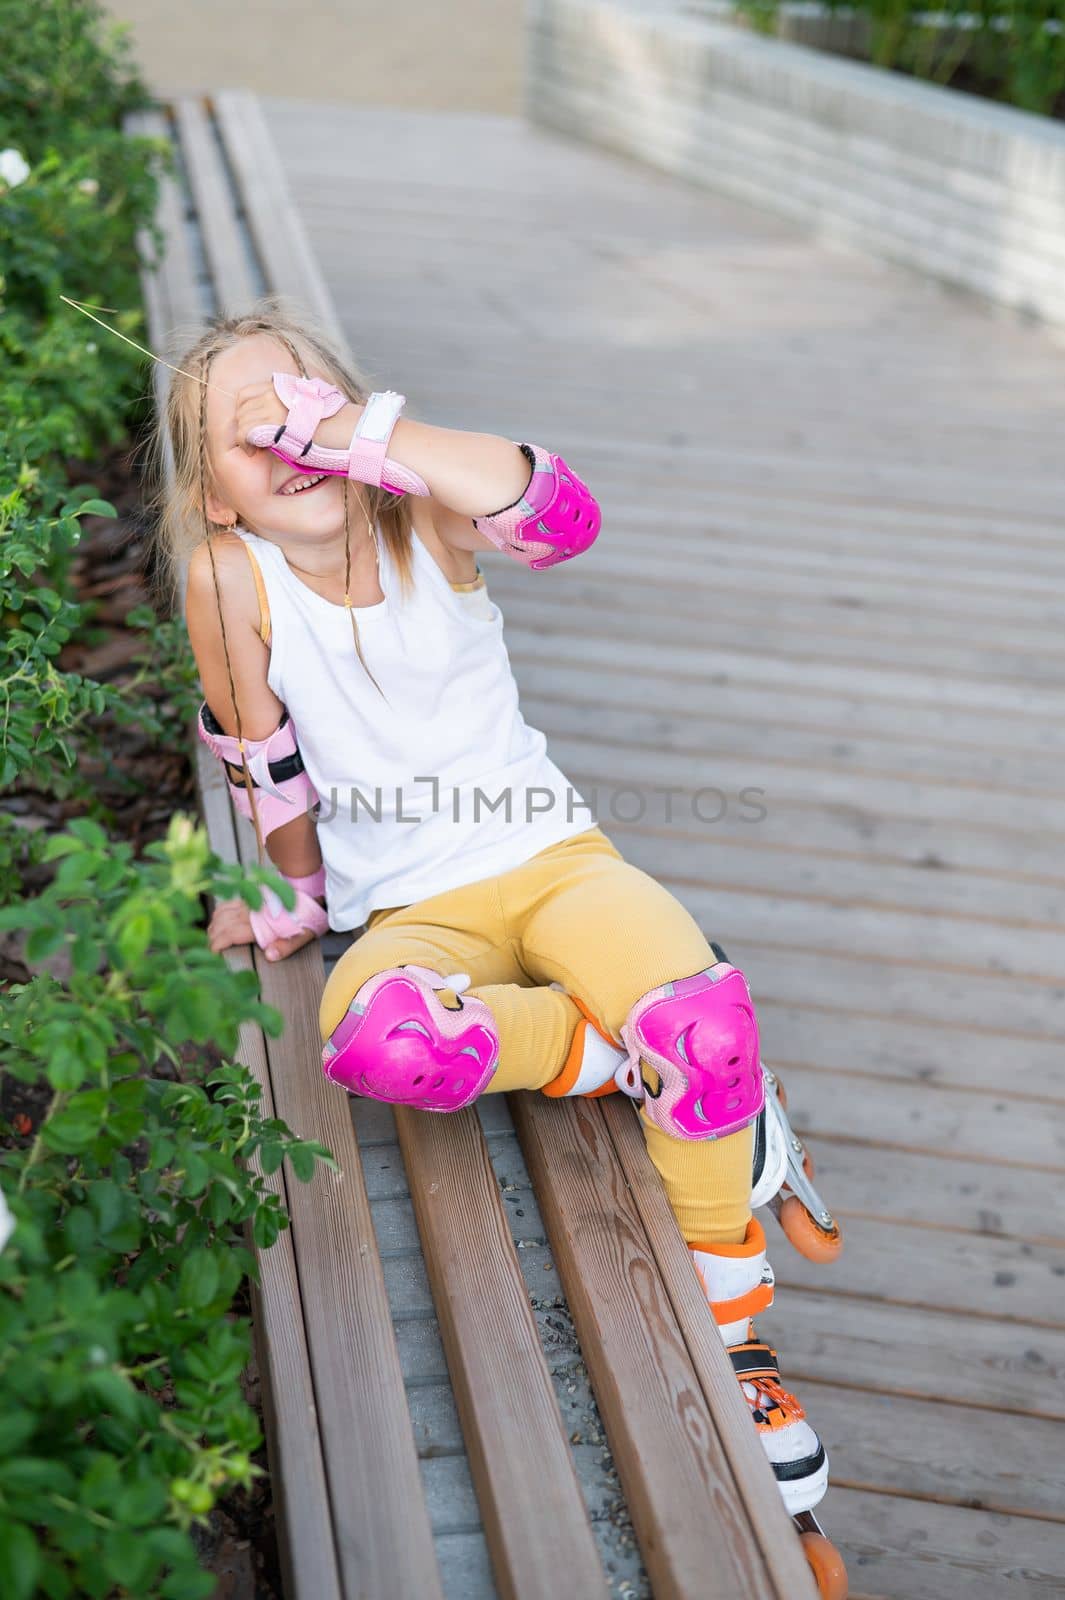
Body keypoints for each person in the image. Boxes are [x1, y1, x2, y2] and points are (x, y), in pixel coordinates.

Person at [156, 296, 831, 1535]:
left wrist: (364, 432)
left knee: (708, 1037)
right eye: (255, 437)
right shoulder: (227, 572)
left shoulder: (423, 513)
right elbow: (261, 749)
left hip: (559, 859)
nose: (292, 441)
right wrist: (292, 895)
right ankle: (610, 1043)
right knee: (381, 1040)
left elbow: (560, 513)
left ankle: (740, 1342)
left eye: (309, 407)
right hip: (414, 910)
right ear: (213, 493)